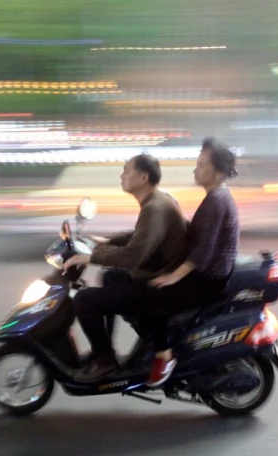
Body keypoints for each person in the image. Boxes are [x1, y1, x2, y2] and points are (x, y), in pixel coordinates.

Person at [62, 154, 189, 382]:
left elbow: (134, 255)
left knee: (83, 300)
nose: (122, 175)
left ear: (143, 177)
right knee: (110, 277)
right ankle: (110, 348)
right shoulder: (158, 200)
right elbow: (141, 236)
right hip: (156, 275)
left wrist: (90, 257)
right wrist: (107, 241)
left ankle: (104, 360)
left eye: (126, 171)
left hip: (155, 285)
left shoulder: (154, 208)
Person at [145, 137, 240, 386]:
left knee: (151, 295)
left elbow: (203, 253)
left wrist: (172, 277)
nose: (195, 169)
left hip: (208, 279)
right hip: (207, 274)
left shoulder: (217, 201)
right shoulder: (216, 197)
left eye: (201, 164)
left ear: (218, 172)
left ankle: (164, 356)